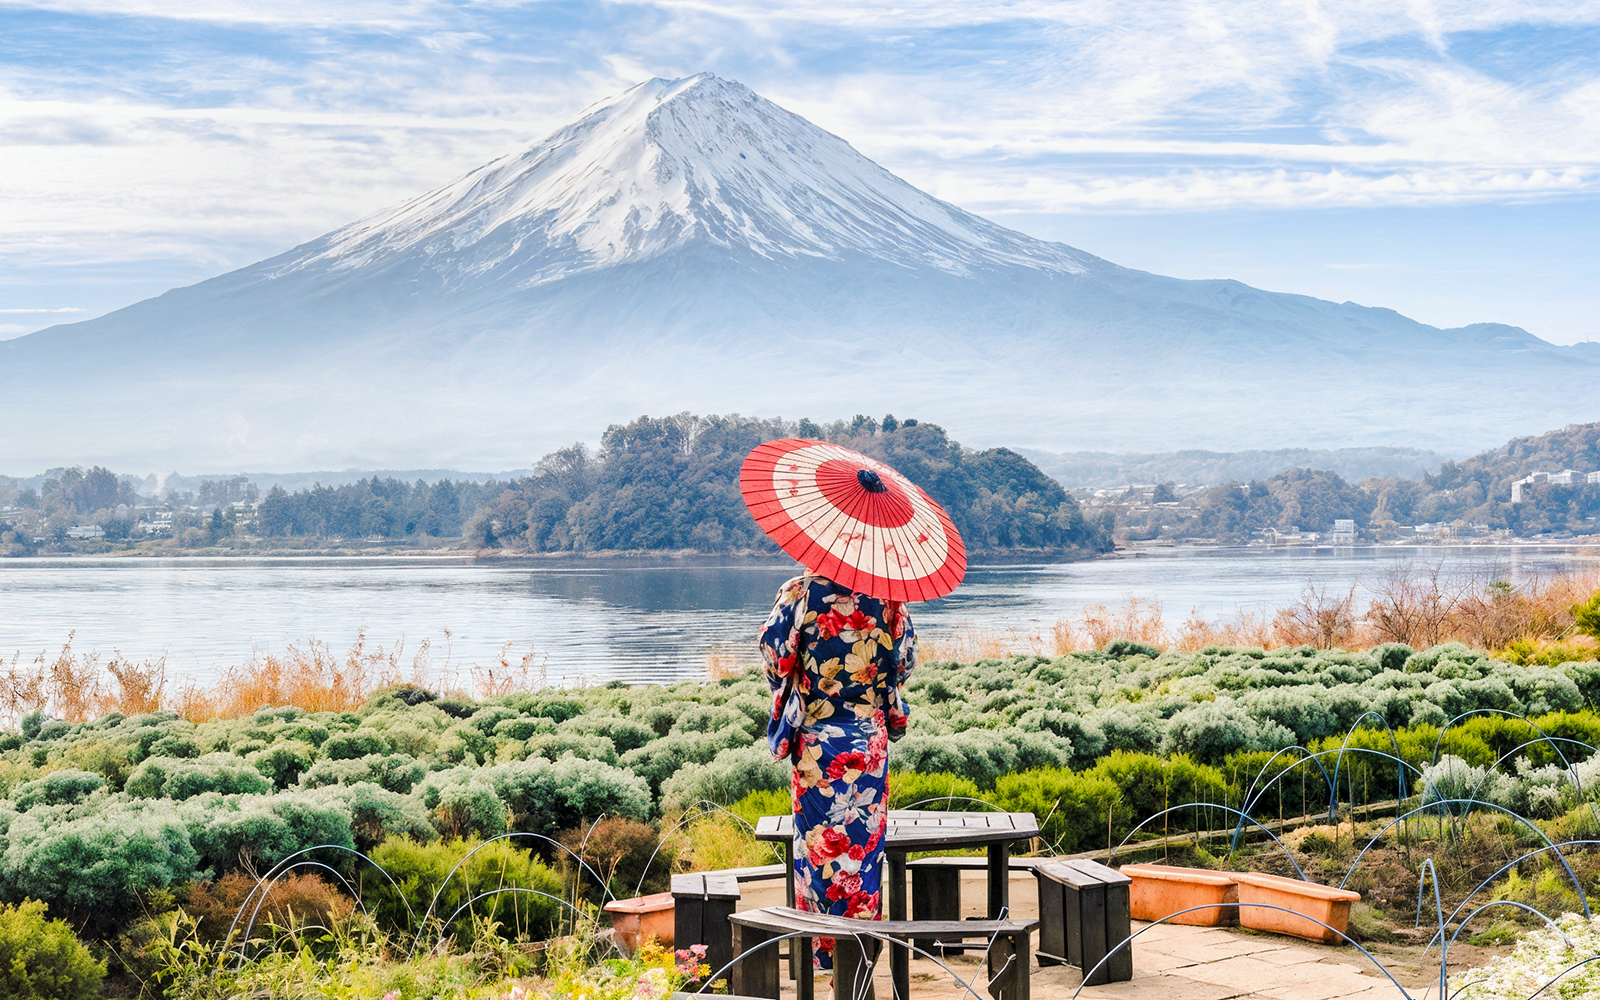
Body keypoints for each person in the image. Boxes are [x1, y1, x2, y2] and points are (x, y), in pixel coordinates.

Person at [758, 572, 918, 969]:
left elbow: (774, 657)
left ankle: (824, 956)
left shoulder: (800, 591)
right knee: (864, 854)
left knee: (817, 849)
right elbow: (906, 661)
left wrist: (802, 675)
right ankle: (859, 956)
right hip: (868, 744)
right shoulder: (890, 595)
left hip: (818, 743)